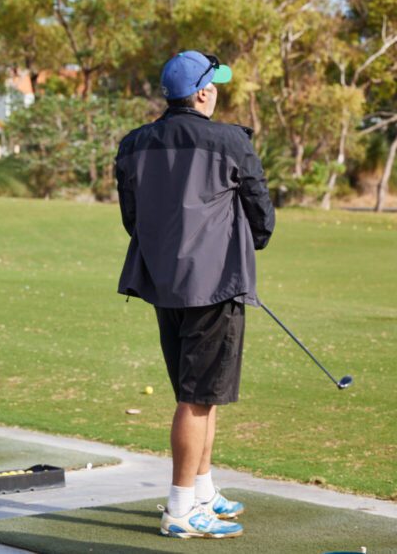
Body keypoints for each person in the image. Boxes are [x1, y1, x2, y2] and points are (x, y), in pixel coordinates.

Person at [115, 51, 275, 539]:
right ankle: (181, 509)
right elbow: (262, 219)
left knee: (202, 395)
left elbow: (131, 218)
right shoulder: (230, 140)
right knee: (197, 398)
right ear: (203, 93)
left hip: (163, 282)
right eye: (216, 84)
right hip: (213, 286)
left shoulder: (133, 143)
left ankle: (202, 491)